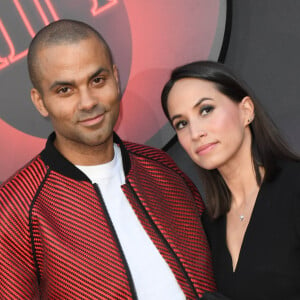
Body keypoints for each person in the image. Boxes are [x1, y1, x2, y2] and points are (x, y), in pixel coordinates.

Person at [0, 20, 218, 299]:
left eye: (97, 80)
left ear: (115, 78)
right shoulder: (15, 208)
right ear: (40, 101)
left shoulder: (162, 168)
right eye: (65, 90)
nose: (88, 101)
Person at [161, 60, 300, 300]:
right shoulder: (209, 225)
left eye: (205, 110)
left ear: (246, 110)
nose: (196, 133)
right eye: (181, 124)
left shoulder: (295, 186)